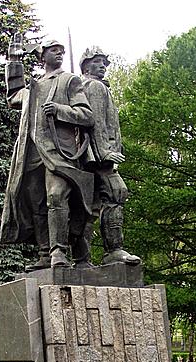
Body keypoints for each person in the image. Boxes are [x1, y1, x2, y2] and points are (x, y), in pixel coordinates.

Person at [0, 36, 94, 268]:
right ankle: (44, 254)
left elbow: (86, 115)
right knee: (37, 204)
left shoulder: (69, 80)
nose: (59, 54)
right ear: (43, 56)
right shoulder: (34, 86)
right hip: (31, 153)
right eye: (54, 50)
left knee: (56, 197)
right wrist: (14, 61)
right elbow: (13, 97)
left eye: (61, 50)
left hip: (60, 152)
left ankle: (59, 252)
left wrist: (60, 110)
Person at [79, 47, 141, 265]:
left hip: (93, 156)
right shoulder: (94, 86)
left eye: (105, 62)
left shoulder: (92, 87)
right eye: (98, 61)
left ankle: (83, 259)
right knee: (116, 192)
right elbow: (96, 123)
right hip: (98, 157)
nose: (103, 66)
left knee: (89, 207)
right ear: (86, 65)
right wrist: (106, 153)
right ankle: (113, 251)